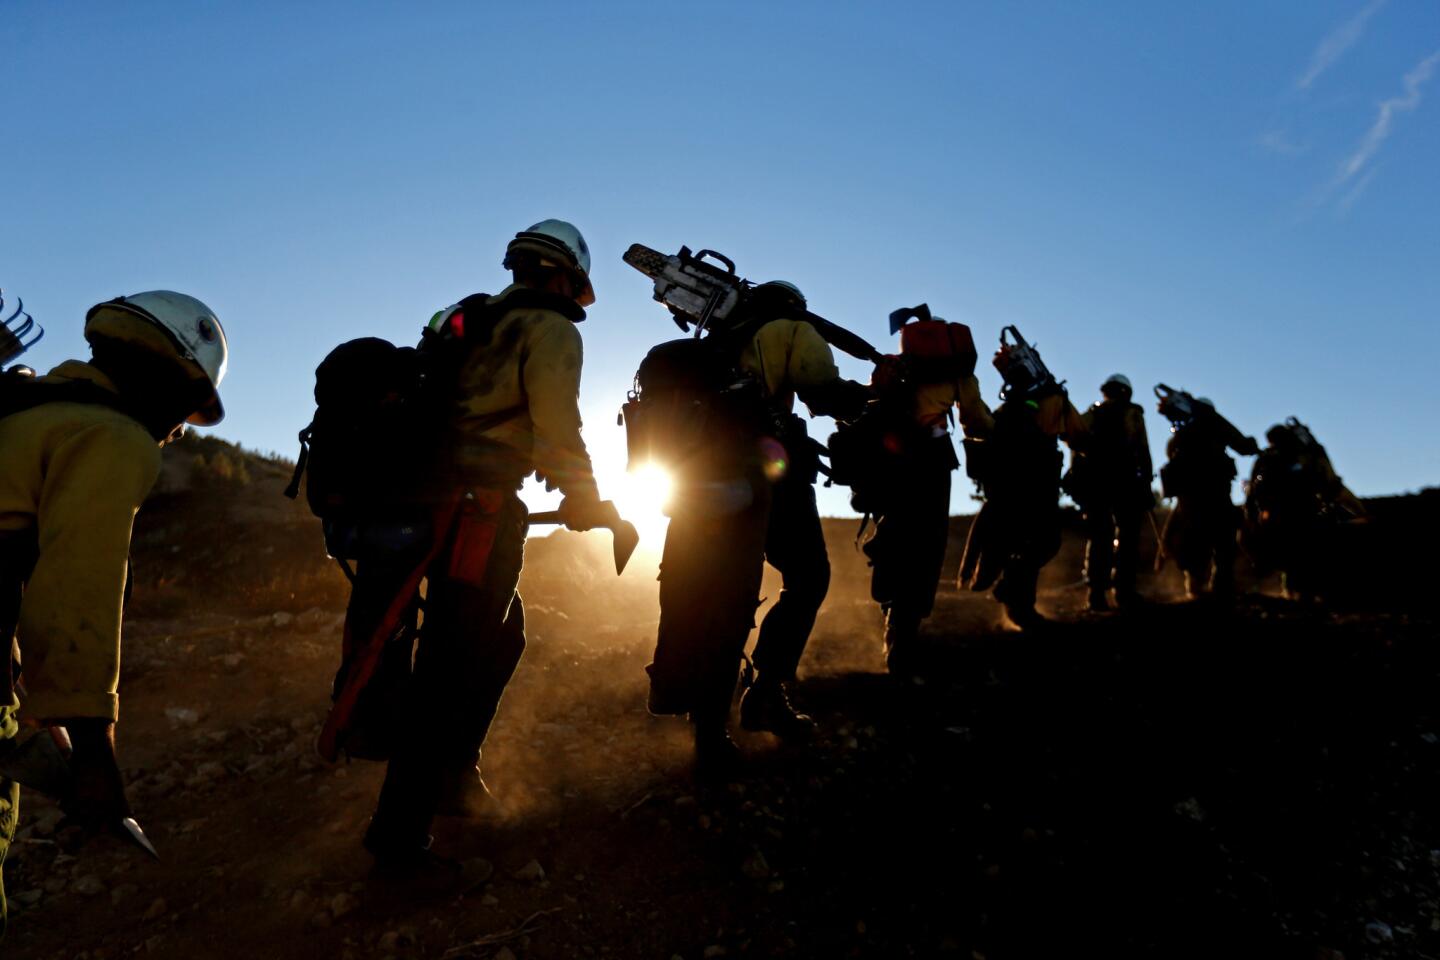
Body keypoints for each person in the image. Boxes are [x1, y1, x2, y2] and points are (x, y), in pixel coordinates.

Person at [358, 219, 614, 887]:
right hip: (479, 513)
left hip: (425, 501)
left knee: (499, 636)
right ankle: (400, 846)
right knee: (450, 662)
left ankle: (452, 774)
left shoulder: (464, 319)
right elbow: (558, 426)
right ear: (566, 277)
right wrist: (587, 497)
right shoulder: (550, 327)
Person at [0, 291, 229, 937]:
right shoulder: (110, 434)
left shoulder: (25, 409)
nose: (182, 429)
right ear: (162, 371)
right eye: (189, 405)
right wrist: (96, 755)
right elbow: (79, 590)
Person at [644, 279, 867, 770]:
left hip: (695, 481)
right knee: (808, 577)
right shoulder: (791, 329)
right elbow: (824, 392)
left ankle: (706, 727)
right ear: (794, 306)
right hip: (762, 480)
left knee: (714, 595)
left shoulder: (715, 347)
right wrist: (874, 397)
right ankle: (765, 695)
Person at [854, 306, 990, 675]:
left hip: (890, 461)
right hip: (932, 461)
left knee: (894, 535)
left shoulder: (892, 368)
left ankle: (889, 610)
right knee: (927, 544)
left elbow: (868, 405)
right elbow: (975, 419)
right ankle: (904, 632)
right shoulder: (960, 376)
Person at [958, 328, 1086, 630]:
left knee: (1020, 543)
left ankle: (1017, 607)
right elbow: (1080, 436)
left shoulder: (1006, 406)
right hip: (1039, 487)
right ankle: (1018, 603)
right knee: (1043, 543)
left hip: (1005, 490)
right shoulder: (1054, 400)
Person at [1244, 418, 1364, 601]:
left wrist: (1254, 515)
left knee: (1291, 554)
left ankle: (1293, 592)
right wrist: (1359, 510)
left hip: (1281, 514)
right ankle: (1304, 593)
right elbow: (1331, 485)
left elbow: (1253, 492)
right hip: (1304, 511)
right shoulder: (1306, 456)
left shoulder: (1268, 459)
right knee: (1304, 553)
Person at [1156, 390, 1258, 601]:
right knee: (1223, 540)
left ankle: (1194, 587)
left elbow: (1170, 454)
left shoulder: (1179, 437)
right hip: (1216, 493)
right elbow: (1244, 446)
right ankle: (1221, 587)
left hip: (1189, 497)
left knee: (1194, 539)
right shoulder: (1214, 424)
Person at [1066, 374, 1154, 611]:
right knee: (1126, 537)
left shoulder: (1092, 413)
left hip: (1095, 483)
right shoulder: (1131, 413)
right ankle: (1123, 591)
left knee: (1099, 536)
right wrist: (1146, 479)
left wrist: (1077, 478)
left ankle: (1096, 594)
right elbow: (1141, 447)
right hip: (1124, 482)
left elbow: (1074, 439)